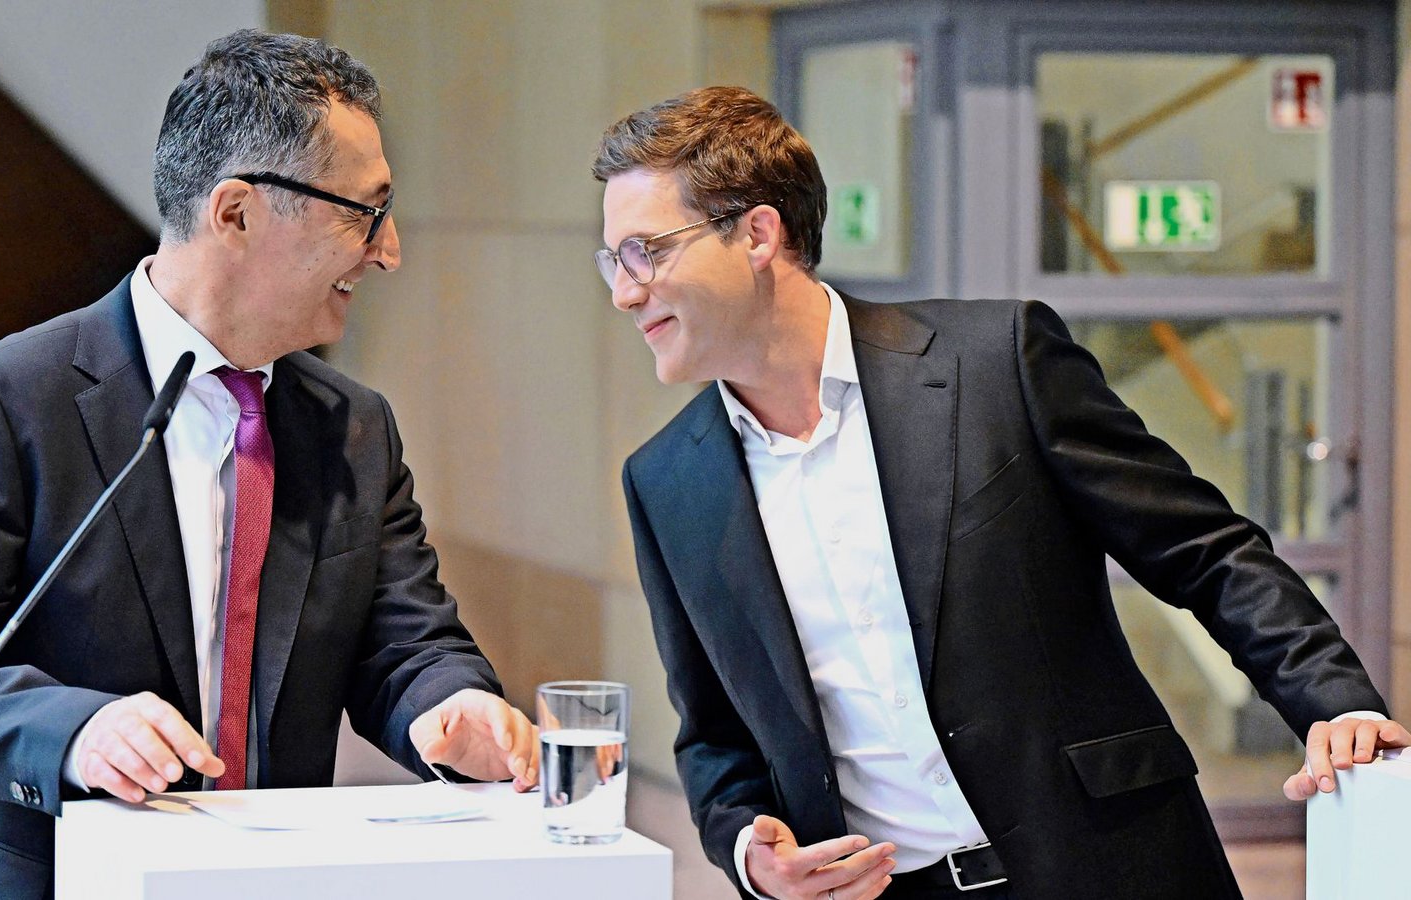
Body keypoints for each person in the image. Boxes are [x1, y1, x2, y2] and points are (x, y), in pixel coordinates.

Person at [595, 86, 1405, 900]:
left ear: (758, 233)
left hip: (1110, 867)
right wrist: (748, 853)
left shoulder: (995, 362)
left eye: (646, 251)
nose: (625, 292)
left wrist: (1332, 702)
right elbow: (714, 737)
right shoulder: (668, 482)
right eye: (613, 262)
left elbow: (1206, 552)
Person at [0, 30, 537, 899]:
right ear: (237, 212)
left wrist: (449, 704)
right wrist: (75, 728)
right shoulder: (8, 397)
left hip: (271, 878)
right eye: (363, 212)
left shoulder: (353, 427)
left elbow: (405, 640)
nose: (389, 249)